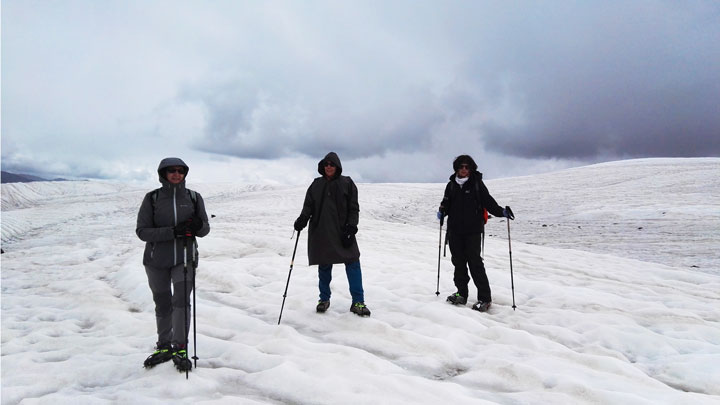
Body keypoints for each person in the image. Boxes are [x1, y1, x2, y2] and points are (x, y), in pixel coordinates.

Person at [136, 157, 210, 371]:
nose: (177, 174)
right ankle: (164, 346)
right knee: (163, 303)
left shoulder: (194, 198)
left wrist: (198, 226)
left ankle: (179, 347)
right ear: (163, 174)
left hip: (185, 258)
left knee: (181, 302)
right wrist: (172, 232)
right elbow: (142, 231)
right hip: (156, 260)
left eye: (181, 170)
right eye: (172, 171)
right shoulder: (152, 199)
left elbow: (204, 229)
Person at [294, 152, 371, 317]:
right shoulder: (315, 185)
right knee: (324, 265)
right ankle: (324, 299)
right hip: (322, 231)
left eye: (332, 164)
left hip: (344, 231)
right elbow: (308, 206)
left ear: (337, 166)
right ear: (322, 166)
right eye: (326, 164)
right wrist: (302, 219)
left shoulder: (347, 183)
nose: (329, 166)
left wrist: (352, 227)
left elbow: (353, 208)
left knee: (352, 263)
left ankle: (358, 302)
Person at [437, 155, 514, 312]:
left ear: (471, 168)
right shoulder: (451, 185)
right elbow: (446, 203)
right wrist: (442, 211)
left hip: (473, 231)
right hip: (455, 231)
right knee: (458, 263)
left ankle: (484, 298)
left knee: (475, 263)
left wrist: (501, 212)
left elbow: (488, 202)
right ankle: (461, 294)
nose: (464, 169)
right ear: (456, 168)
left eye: (467, 167)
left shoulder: (476, 184)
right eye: (461, 166)